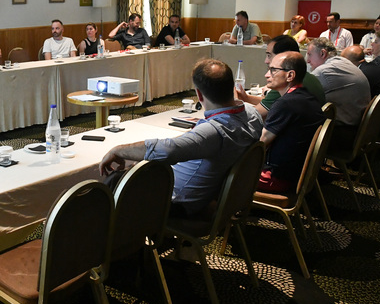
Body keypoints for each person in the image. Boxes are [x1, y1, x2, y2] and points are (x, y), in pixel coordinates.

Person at [99, 58, 263, 218]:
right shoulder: (252, 114)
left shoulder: (214, 132)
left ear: (199, 94)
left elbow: (167, 151)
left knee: (116, 181)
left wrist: (118, 150)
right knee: (137, 168)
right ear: (231, 86)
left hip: (180, 203)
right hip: (213, 193)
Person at [258, 52, 325, 193]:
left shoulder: (285, 104)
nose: (267, 75)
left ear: (290, 75)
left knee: (222, 169)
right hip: (299, 174)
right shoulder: (308, 98)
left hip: (279, 178)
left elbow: (259, 146)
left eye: (273, 70)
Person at [236, 34, 325, 118]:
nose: (266, 61)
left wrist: (232, 103)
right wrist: (246, 98)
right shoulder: (309, 77)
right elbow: (271, 102)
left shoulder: (287, 83)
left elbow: (253, 115)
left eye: (269, 55)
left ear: (283, 56)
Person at [305, 38, 371, 145]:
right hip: (358, 130)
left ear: (322, 53)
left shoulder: (324, 71)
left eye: (309, 54)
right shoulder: (345, 63)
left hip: (343, 133)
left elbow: (298, 95)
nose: (308, 60)